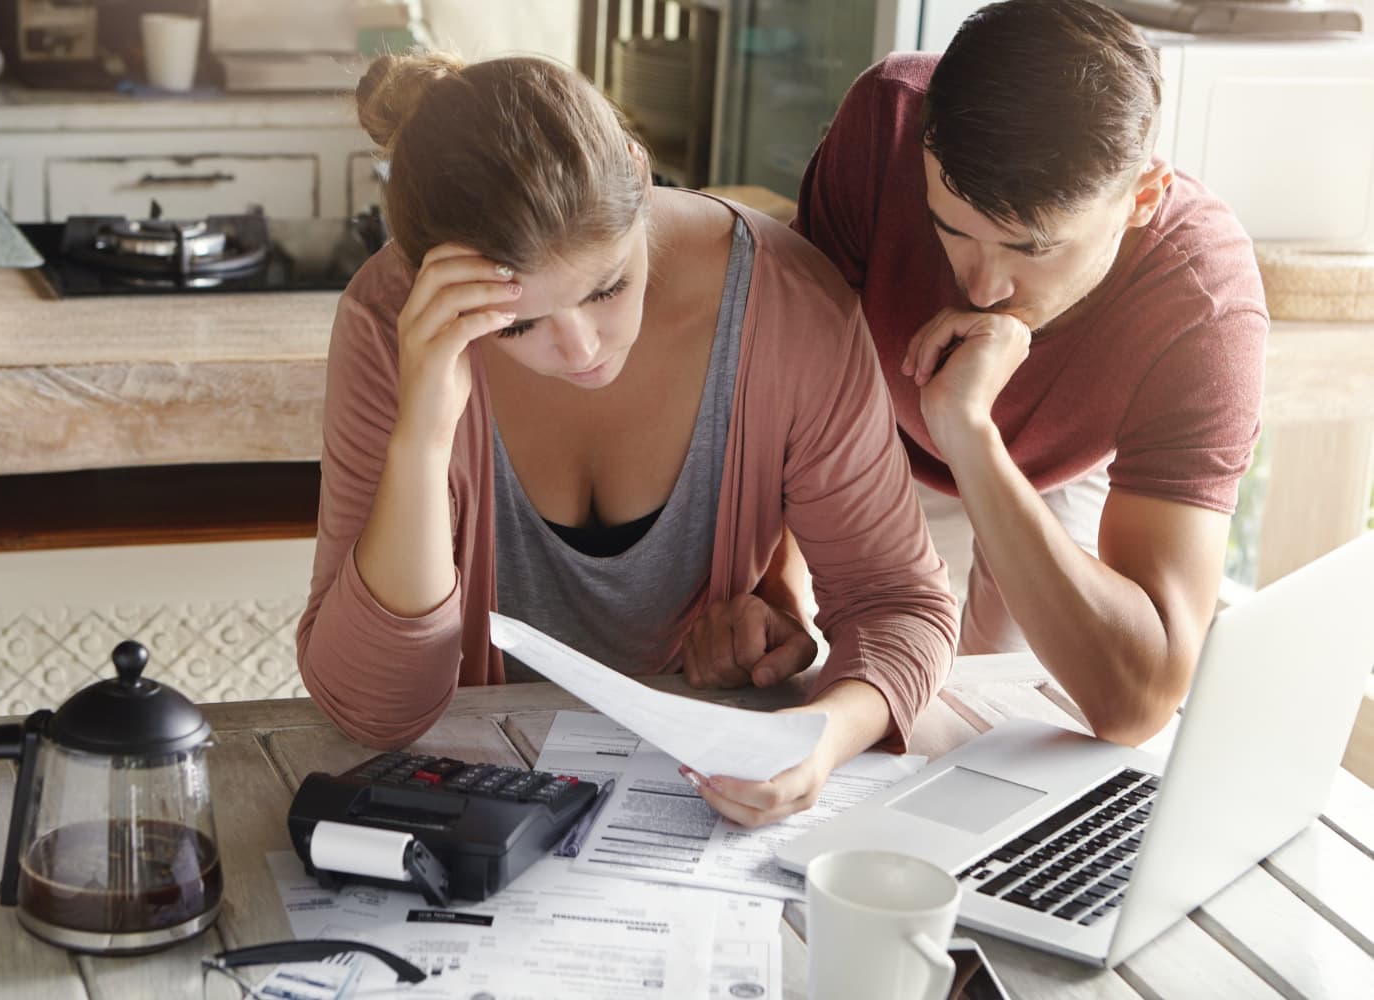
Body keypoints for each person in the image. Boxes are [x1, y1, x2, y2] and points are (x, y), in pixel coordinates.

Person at [296, 51, 958, 827]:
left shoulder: (787, 303)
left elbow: (899, 602)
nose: (580, 350)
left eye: (606, 286)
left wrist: (818, 739)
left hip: (687, 810)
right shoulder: (390, 323)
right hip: (481, 802)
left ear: (640, 179)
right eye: (517, 323)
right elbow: (376, 711)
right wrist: (422, 435)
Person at [779, 0, 1268, 745]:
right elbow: (778, 389)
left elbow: (1138, 700)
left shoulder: (1205, 304)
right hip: (861, 423)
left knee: (1002, 726)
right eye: (954, 230)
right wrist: (773, 603)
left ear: (1142, 197)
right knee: (837, 693)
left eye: (1032, 250)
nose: (981, 291)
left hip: (1056, 472)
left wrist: (970, 432)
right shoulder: (889, 124)